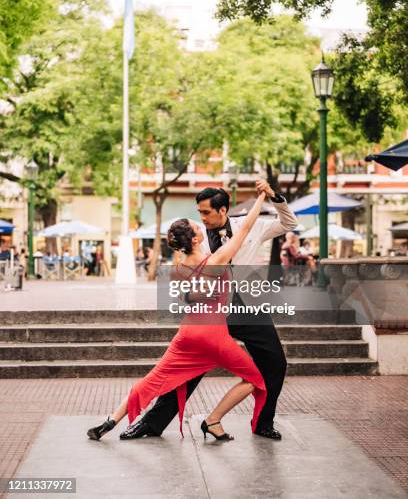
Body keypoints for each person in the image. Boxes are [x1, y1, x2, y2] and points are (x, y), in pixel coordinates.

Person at [120, 178, 298, 441]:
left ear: (223, 210)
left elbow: (290, 224)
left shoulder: (250, 227)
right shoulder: (196, 239)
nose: (201, 217)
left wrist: (274, 196)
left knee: (276, 363)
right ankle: (151, 424)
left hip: (250, 307)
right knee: (189, 370)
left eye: (206, 212)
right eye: (199, 212)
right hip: (211, 312)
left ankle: (263, 422)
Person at [87, 192, 269, 442]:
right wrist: (261, 197)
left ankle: (111, 420)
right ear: (195, 239)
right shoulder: (217, 259)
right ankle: (213, 420)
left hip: (187, 334)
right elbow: (246, 226)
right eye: (197, 226)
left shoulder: (177, 271)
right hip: (213, 335)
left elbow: (185, 299)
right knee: (254, 380)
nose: (201, 224)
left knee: (152, 380)